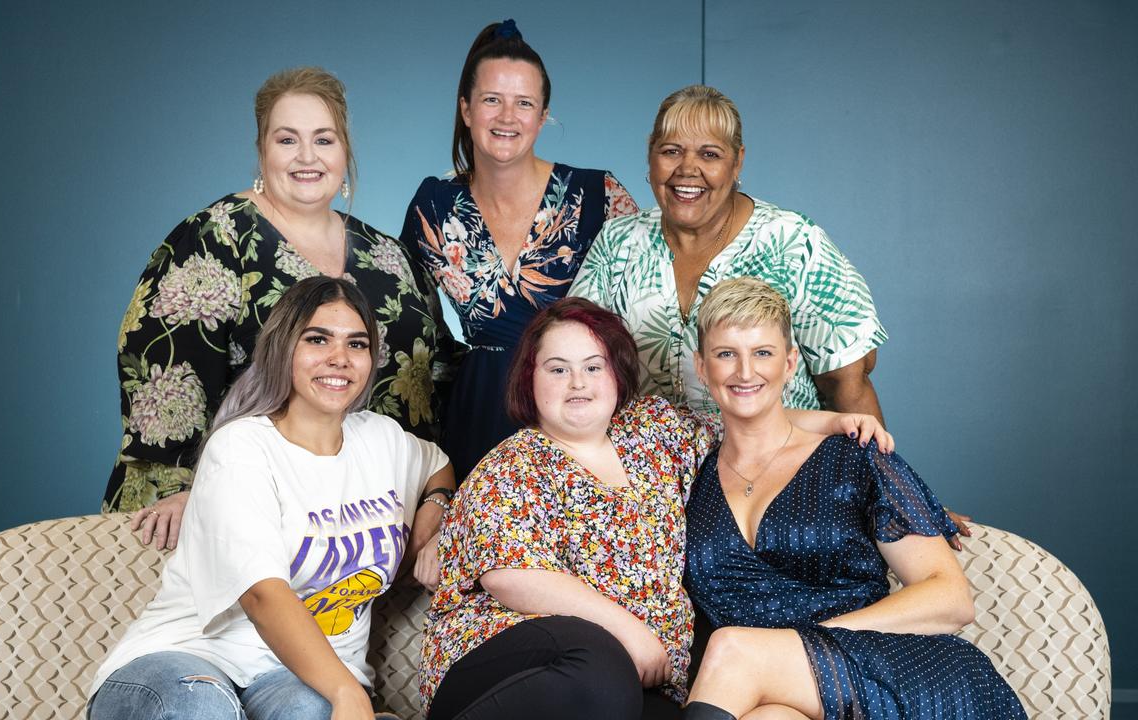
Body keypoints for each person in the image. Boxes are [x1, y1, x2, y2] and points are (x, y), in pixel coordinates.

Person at [419, 297, 892, 720]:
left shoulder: (653, 431)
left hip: (637, 682)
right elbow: (511, 573)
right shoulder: (512, 462)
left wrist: (837, 420)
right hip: (504, 665)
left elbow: (748, 420)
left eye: (594, 366)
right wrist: (630, 633)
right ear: (530, 378)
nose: (577, 383)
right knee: (597, 665)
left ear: (616, 374)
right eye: (557, 369)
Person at [106, 67, 456, 550]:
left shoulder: (389, 256)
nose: (307, 157)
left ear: (345, 150)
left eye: (324, 140)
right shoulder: (216, 240)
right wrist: (188, 490)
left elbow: (437, 368)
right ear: (262, 150)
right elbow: (162, 380)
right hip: (239, 514)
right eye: (287, 140)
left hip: (373, 520)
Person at [88, 276, 455, 720]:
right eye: (318, 339)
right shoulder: (241, 447)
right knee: (204, 709)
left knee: (310, 713)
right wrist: (348, 693)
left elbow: (438, 466)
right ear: (284, 347)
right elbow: (262, 595)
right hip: (186, 662)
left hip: (293, 681)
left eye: (357, 344)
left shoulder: (382, 440)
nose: (339, 358)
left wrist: (429, 523)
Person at [681, 277, 1024, 720]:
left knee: (731, 646)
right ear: (702, 367)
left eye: (762, 353)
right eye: (727, 354)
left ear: (789, 364)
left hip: (884, 670)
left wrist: (809, 641)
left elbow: (951, 598)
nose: (746, 372)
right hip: (775, 697)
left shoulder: (855, 455)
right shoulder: (687, 465)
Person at [399, 19, 639, 480]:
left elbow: (641, 323)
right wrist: (465, 377)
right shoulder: (435, 203)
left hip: (581, 415)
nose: (507, 118)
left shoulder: (598, 197)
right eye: (492, 100)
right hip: (480, 412)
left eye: (523, 103)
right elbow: (412, 321)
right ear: (466, 109)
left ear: (543, 114)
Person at [569, 84, 885, 422]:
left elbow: (848, 383)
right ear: (651, 155)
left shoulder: (794, 243)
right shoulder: (618, 242)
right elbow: (572, 358)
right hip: (646, 469)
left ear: (737, 162)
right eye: (671, 151)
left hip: (777, 466)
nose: (687, 169)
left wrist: (874, 473)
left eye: (709, 154)